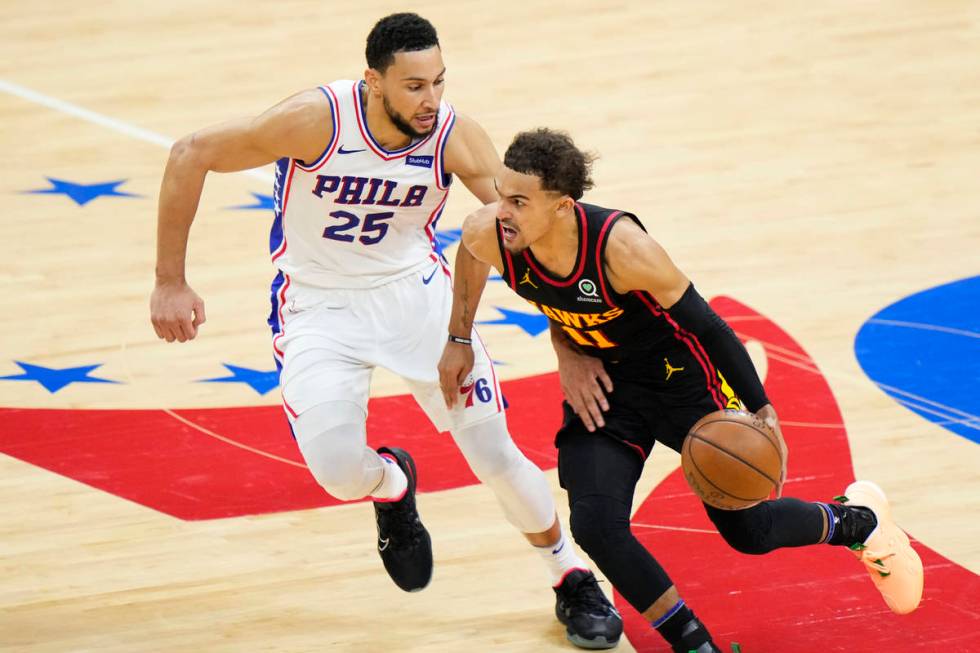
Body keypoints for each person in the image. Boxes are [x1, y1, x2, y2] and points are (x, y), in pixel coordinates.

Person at [150, 14, 622, 649]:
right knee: (340, 473)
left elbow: (527, 233)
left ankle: (569, 575)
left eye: (439, 83)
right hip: (319, 307)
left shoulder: (455, 136)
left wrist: (565, 342)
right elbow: (190, 153)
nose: (431, 101)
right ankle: (392, 483)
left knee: (494, 453)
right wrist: (170, 281)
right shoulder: (317, 119)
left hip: (414, 299)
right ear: (373, 80)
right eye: (414, 87)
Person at [438, 128, 924, 653]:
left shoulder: (624, 249)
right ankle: (694, 645)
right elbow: (470, 253)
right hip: (606, 388)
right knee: (596, 525)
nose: (500, 210)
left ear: (563, 207)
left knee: (750, 533)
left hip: (681, 382)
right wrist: (462, 337)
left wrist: (763, 410)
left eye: (517, 201)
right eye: (500, 192)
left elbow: (710, 327)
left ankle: (856, 521)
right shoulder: (490, 232)